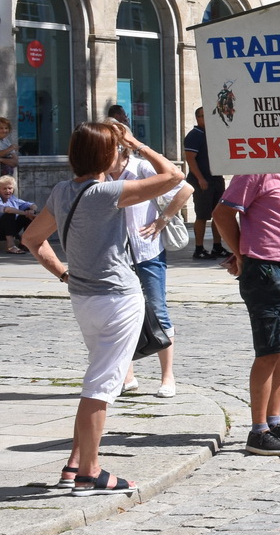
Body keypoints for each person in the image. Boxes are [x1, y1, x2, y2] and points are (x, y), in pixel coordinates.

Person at [21, 122, 184, 495]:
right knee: (100, 387)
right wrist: (137, 143)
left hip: (83, 298)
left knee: (99, 375)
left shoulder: (62, 191)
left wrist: (64, 273)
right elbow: (174, 176)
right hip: (117, 298)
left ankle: (74, 464)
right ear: (106, 155)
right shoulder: (109, 191)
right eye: (117, 149)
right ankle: (90, 474)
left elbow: (32, 238)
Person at [216, 169, 280, 456]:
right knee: (269, 350)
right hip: (268, 268)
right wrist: (242, 254)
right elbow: (222, 214)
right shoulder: (257, 170)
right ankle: (258, 430)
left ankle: (274, 421)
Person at [118, 140, 194, 396]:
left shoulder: (141, 168)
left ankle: (167, 377)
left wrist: (163, 220)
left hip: (147, 250)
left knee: (157, 309)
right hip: (117, 255)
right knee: (120, 313)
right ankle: (127, 376)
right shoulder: (100, 174)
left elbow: (185, 188)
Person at [182, 107, 227, 259]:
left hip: (216, 178)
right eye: (202, 116)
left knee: (218, 214)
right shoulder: (195, 135)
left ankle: (217, 246)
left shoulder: (212, 134)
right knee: (202, 215)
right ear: (197, 118)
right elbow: (190, 158)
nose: (206, 119)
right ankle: (199, 248)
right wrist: (200, 178)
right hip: (202, 181)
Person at [0, 175, 34, 253]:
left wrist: (31, 211)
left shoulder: (13, 199)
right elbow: (8, 210)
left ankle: (25, 243)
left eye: (10, 188)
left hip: (9, 230)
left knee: (28, 211)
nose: (7, 191)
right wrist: (25, 213)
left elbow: (31, 205)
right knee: (9, 214)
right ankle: (11, 246)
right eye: (4, 188)